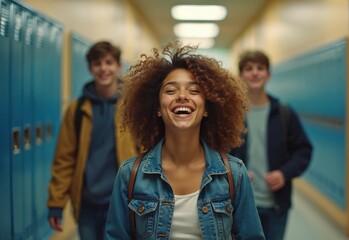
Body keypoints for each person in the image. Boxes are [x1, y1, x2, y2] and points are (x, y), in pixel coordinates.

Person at [105, 41, 265, 240]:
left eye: (194, 91)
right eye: (171, 90)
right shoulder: (130, 174)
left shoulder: (234, 174)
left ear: (207, 108)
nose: (182, 96)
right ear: (156, 108)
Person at [47, 41, 137, 239]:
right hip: (87, 202)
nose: (103, 68)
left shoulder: (131, 107)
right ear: (90, 68)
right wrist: (56, 203)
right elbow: (64, 159)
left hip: (120, 200)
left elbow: (146, 152)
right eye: (97, 63)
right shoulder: (77, 110)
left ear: (118, 67)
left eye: (109, 62)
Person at [230, 50, 313, 240]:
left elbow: (303, 150)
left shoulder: (284, 112)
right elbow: (217, 151)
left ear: (268, 75)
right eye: (249, 68)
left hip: (276, 205)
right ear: (240, 75)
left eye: (260, 68)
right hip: (240, 204)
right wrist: (235, 172)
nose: (255, 73)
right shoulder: (231, 114)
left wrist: (284, 173)